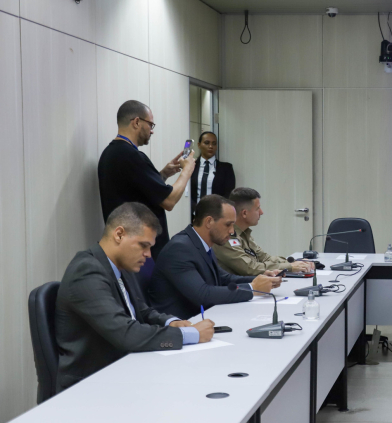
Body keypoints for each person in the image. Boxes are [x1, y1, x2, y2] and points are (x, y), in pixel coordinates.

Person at [55, 203, 215, 392]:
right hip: (91, 386)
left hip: (124, 371)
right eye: (143, 245)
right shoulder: (87, 271)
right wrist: (191, 335)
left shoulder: (120, 266)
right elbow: (126, 334)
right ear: (119, 234)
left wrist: (170, 322)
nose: (148, 255)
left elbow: (139, 310)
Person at [148, 194, 283, 320]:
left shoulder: (202, 243)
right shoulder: (180, 248)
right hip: (180, 324)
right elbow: (203, 294)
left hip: (202, 317)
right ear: (209, 222)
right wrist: (253, 288)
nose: (232, 231)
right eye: (228, 224)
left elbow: (223, 278)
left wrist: (261, 278)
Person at [98, 100, 195, 260]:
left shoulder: (110, 153)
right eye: (151, 125)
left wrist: (163, 174)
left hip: (124, 245)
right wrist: (187, 170)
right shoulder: (132, 156)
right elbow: (169, 201)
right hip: (141, 249)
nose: (152, 131)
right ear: (136, 122)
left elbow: (137, 190)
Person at [213, 187, 315, 275]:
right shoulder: (226, 236)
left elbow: (263, 257)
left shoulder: (244, 233)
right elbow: (249, 268)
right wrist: (290, 266)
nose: (261, 212)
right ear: (244, 213)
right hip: (237, 288)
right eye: (257, 209)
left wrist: (294, 262)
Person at [190, 131, 236, 216]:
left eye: (214, 143)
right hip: (194, 215)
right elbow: (187, 193)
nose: (210, 146)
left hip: (217, 215)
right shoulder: (191, 167)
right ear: (199, 145)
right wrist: (195, 209)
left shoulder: (226, 168)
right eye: (207, 143)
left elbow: (229, 194)